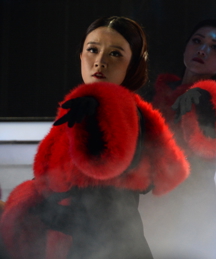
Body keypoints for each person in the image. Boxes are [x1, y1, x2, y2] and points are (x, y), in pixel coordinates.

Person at [0, 16, 189, 259]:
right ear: (81, 55)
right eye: (92, 50)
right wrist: (21, 209)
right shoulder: (81, 112)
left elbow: (104, 204)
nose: (100, 61)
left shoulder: (126, 115)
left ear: (133, 65)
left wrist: (39, 213)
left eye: (115, 54)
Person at [140, 19, 216, 259]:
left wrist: (209, 101)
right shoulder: (153, 95)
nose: (202, 50)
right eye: (197, 41)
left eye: (215, 47)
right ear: (185, 48)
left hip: (195, 212)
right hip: (149, 207)